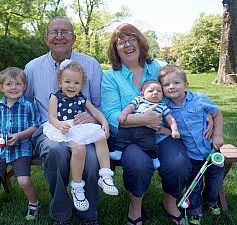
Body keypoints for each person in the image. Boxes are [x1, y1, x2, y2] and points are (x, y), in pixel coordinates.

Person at [101, 23, 193, 225]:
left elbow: (179, 92)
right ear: (115, 49)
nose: (127, 45)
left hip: (161, 134)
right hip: (130, 138)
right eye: (121, 42)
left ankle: (170, 201)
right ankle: (135, 206)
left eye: (131, 39)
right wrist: (143, 120)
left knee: (178, 164)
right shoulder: (110, 77)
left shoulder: (159, 68)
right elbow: (111, 114)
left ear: (140, 42)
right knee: (137, 164)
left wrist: (207, 113)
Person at [24, 16, 103, 225]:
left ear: (74, 38)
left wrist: (93, 117)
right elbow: (25, 105)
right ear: (46, 39)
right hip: (47, 128)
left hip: (82, 129)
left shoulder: (91, 64)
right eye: (54, 32)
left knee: (92, 158)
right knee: (54, 150)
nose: (59, 36)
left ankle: (88, 213)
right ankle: (61, 212)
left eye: (65, 32)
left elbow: (97, 103)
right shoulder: (32, 68)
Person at [44, 59, 118, 212]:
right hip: (64, 128)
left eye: (76, 83)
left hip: (80, 127)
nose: (72, 86)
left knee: (100, 136)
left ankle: (105, 175)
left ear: (82, 84)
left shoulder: (82, 98)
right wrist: (59, 125)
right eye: (68, 82)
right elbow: (51, 116)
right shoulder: (55, 97)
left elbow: (96, 112)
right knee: (79, 150)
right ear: (60, 82)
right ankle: (77, 188)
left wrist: (103, 122)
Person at [159, 64, 225, 225]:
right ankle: (195, 210)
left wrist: (217, 135)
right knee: (194, 183)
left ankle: (211, 201)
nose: (171, 87)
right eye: (166, 85)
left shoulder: (199, 99)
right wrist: (172, 133)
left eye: (176, 83)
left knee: (215, 180)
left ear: (186, 84)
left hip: (211, 150)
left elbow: (216, 114)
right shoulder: (166, 109)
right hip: (191, 154)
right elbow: (160, 127)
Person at [0, 67, 40, 224]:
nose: (14, 87)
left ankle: (34, 203)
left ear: (25, 86)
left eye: (18, 84)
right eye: (9, 84)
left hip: (22, 149)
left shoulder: (28, 106)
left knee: (23, 181)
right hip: (0, 150)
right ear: (2, 87)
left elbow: (35, 126)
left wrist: (19, 135)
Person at [110, 79, 180, 169]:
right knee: (122, 137)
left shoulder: (162, 106)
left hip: (148, 131)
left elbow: (170, 118)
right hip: (132, 127)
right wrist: (123, 114)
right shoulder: (139, 100)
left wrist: (174, 130)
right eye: (150, 91)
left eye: (159, 91)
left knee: (150, 145)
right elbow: (130, 107)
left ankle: (154, 158)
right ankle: (118, 152)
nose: (155, 93)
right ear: (142, 94)